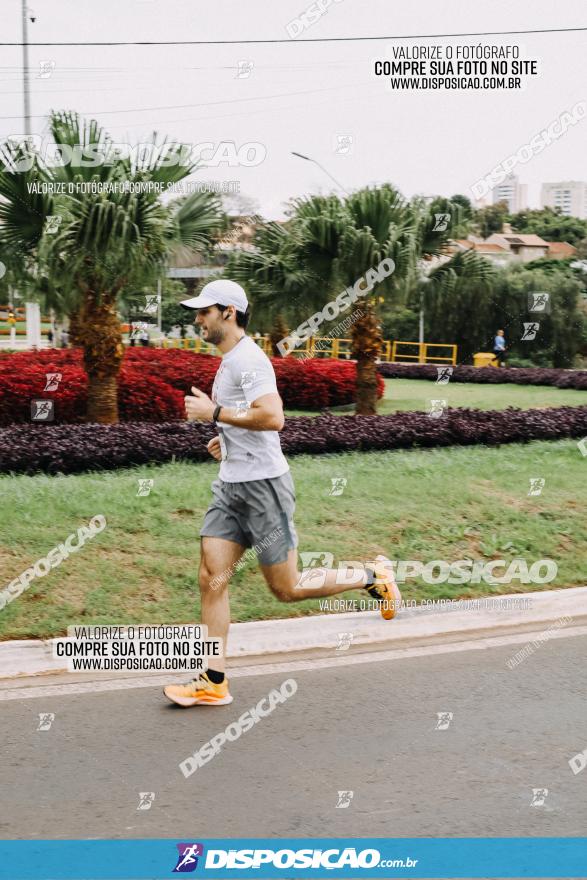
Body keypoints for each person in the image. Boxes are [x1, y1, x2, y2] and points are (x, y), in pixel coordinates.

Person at [163, 279, 401, 707]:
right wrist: (225, 438)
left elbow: (273, 417)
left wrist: (214, 412)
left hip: (264, 488)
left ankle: (372, 577)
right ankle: (212, 680)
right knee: (210, 577)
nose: (197, 318)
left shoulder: (249, 360)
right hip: (231, 487)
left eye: (204, 311)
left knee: (286, 588)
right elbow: (248, 419)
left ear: (228, 313)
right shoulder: (229, 359)